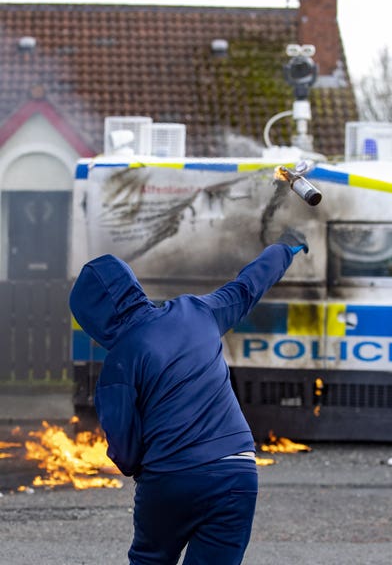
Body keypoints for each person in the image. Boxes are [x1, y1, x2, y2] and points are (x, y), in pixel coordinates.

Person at [68, 230, 309, 565]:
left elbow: (124, 451)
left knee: (150, 559)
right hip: (236, 474)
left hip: (169, 478)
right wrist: (284, 248)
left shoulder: (118, 364)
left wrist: (144, 468)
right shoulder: (196, 312)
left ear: (93, 318)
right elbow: (248, 286)